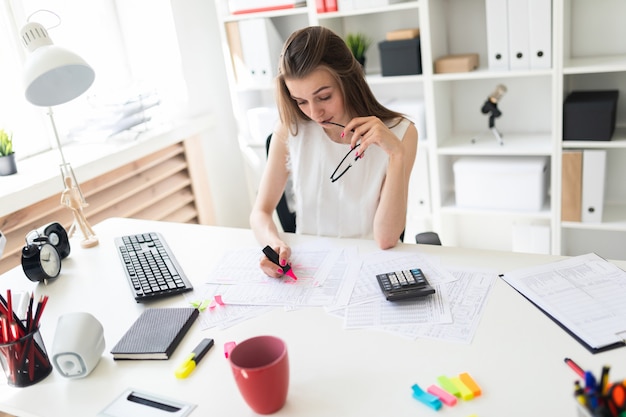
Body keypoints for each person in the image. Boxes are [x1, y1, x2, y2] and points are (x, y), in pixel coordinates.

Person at [250, 26, 418, 278]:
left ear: (347, 81)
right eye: (301, 101)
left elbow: (385, 239)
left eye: (324, 96)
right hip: (312, 269)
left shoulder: (401, 133)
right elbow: (260, 212)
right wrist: (273, 243)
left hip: (370, 266)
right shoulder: (291, 130)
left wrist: (396, 154)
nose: (315, 113)